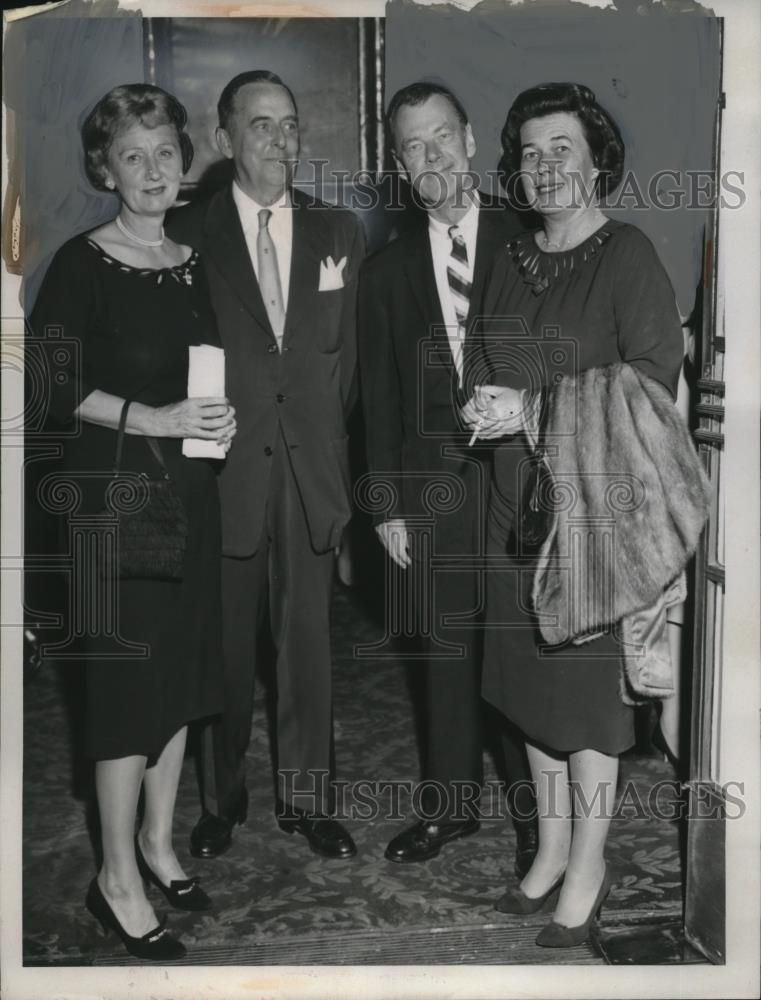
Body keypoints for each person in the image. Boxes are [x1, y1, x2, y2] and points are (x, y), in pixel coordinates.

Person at [462, 82, 686, 947]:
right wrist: (483, 406)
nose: (544, 166)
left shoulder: (625, 254)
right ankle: (550, 850)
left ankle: (587, 865)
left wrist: (527, 411)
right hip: (508, 506)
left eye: (562, 149)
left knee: (584, 705)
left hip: (590, 515)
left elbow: (652, 387)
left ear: (597, 161)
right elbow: (486, 357)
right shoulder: (511, 258)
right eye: (529, 152)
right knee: (526, 696)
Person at [29, 84, 237, 960]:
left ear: (184, 157)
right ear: (104, 169)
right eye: (131, 157)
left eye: (163, 152)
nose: (152, 171)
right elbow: (46, 385)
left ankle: (157, 844)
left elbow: (203, 375)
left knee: (181, 685)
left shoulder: (192, 259)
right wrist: (151, 420)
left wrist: (213, 419)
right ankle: (115, 875)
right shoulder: (82, 262)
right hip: (113, 509)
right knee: (122, 698)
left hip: (187, 498)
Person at [167, 70, 365, 861]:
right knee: (222, 653)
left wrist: (318, 440)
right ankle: (221, 801)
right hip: (222, 473)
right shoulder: (187, 233)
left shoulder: (338, 233)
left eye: (289, 125)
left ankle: (308, 800)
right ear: (223, 141)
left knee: (307, 648)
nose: (280, 141)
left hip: (310, 472)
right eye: (260, 126)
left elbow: (343, 364)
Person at [358, 82, 537, 871]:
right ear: (399, 162)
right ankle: (450, 807)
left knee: (529, 649)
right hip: (432, 490)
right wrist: (388, 506)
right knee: (443, 652)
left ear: (468, 139)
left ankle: (543, 817)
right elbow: (380, 399)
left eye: (440, 138)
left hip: (527, 480)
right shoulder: (386, 268)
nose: (430, 158)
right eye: (412, 147)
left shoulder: (531, 236)